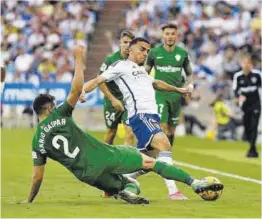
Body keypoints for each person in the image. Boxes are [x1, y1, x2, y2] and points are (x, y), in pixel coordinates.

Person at [27, 45, 223, 204]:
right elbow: (82, 86)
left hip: (87, 175)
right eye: (142, 49)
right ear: (51, 108)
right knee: (159, 152)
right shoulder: (61, 112)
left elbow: (37, 178)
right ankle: (192, 184)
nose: (146, 53)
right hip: (109, 150)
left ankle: (127, 187)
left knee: (133, 180)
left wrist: (29, 201)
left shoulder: (37, 142)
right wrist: (79, 59)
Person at [80, 38, 191, 200]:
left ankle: (114, 181)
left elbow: (156, 83)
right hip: (141, 115)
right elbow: (98, 79)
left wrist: (178, 90)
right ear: (130, 50)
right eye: (142, 49)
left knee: (149, 160)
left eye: (147, 51)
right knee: (165, 145)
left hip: (151, 115)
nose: (145, 53)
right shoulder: (120, 66)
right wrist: (83, 90)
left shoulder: (140, 71)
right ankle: (173, 192)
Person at [144, 23, 194, 198]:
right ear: (162, 35)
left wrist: (190, 85)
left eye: (173, 33)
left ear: (177, 35)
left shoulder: (182, 54)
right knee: (163, 128)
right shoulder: (154, 53)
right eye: (167, 33)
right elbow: (145, 72)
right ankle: (164, 164)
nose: (170, 36)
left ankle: (164, 159)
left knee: (172, 130)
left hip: (176, 97)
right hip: (160, 96)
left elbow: (189, 72)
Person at [98, 30, 136, 146]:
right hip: (112, 102)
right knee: (111, 133)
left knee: (130, 133)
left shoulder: (136, 61)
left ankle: (127, 163)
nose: (127, 45)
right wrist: (113, 99)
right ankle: (105, 161)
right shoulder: (110, 60)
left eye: (130, 43)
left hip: (128, 102)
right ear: (120, 43)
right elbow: (100, 81)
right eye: (125, 42)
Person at [233, 55, 261, 158]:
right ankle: (253, 149)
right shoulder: (238, 76)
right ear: (241, 64)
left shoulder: (257, 75)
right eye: (244, 63)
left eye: (248, 63)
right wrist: (239, 97)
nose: (246, 65)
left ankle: (251, 150)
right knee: (247, 126)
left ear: (251, 64)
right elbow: (235, 90)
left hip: (256, 104)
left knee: (254, 126)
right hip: (245, 105)